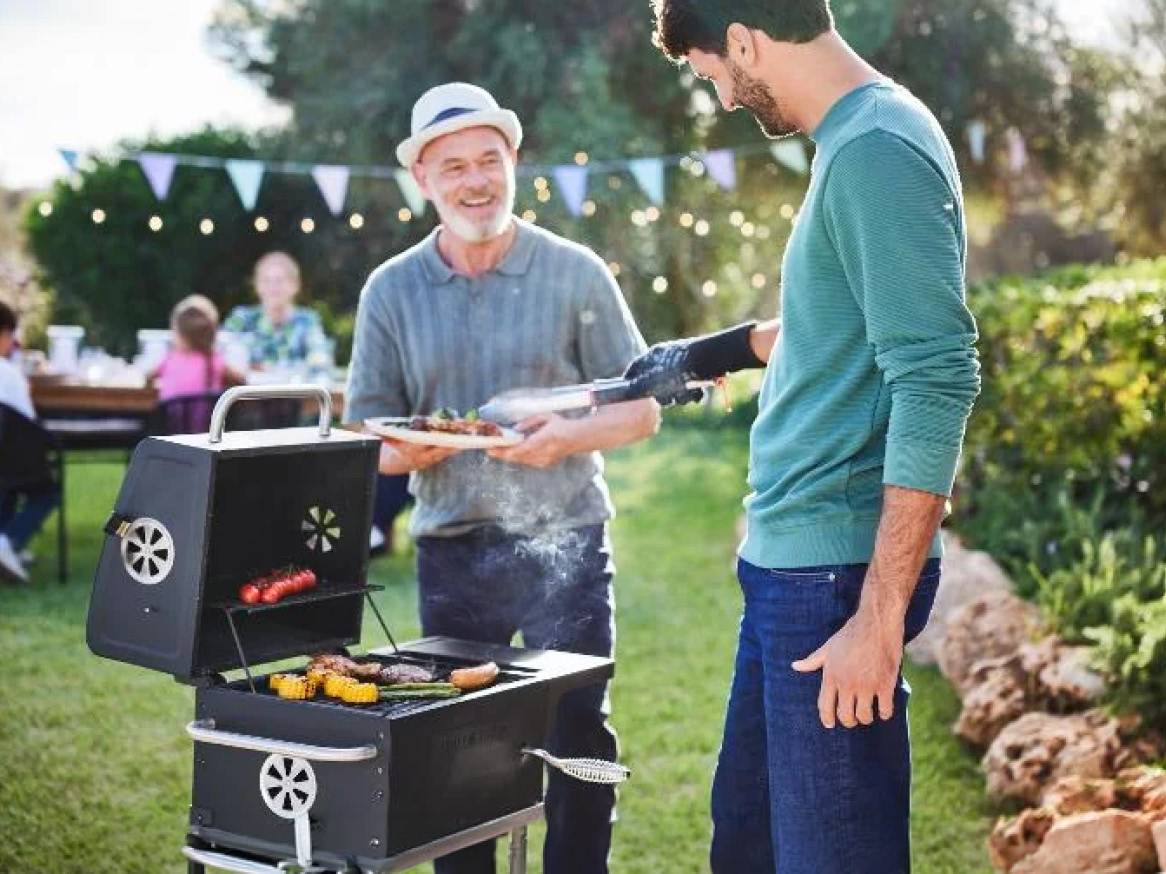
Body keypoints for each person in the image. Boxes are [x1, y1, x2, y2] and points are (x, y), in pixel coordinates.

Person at [622, 2, 982, 872]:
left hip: (833, 582)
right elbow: (841, 324)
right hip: (794, 565)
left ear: (744, 39)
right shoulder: (856, 137)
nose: (721, 99)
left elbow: (937, 376)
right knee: (746, 842)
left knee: (832, 858)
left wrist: (879, 616)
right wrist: (718, 350)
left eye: (712, 73)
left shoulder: (874, 151)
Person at [345, 81, 659, 874]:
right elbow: (371, 436)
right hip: (452, 550)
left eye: (490, 159)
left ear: (515, 161)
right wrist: (406, 450)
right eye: (454, 166)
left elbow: (642, 411)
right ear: (424, 178)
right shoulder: (390, 290)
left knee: (578, 738)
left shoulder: (576, 272)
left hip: (568, 543)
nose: (476, 181)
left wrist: (565, 439)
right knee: (456, 754)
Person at [0, 300, 61, 584]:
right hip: (17, 457)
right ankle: (8, 542)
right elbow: (28, 420)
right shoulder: (10, 374)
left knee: (8, 489)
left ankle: (10, 545)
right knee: (48, 493)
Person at [223, 251, 331, 370]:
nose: (273, 287)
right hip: (250, 388)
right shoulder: (241, 319)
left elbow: (320, 362)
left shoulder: (307, 321)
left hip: (294, 388)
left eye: (279, 281)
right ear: (257, 286)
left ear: (295, 286)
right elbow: (221, 359)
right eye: (266, 281)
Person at [151, 295, 245, 402]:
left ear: (178, 334)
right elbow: (241, 380)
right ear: (213, 335)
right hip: (210, 419)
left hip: (170, 418)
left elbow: (146, 377)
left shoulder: (169, 359)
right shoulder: (216, 362)